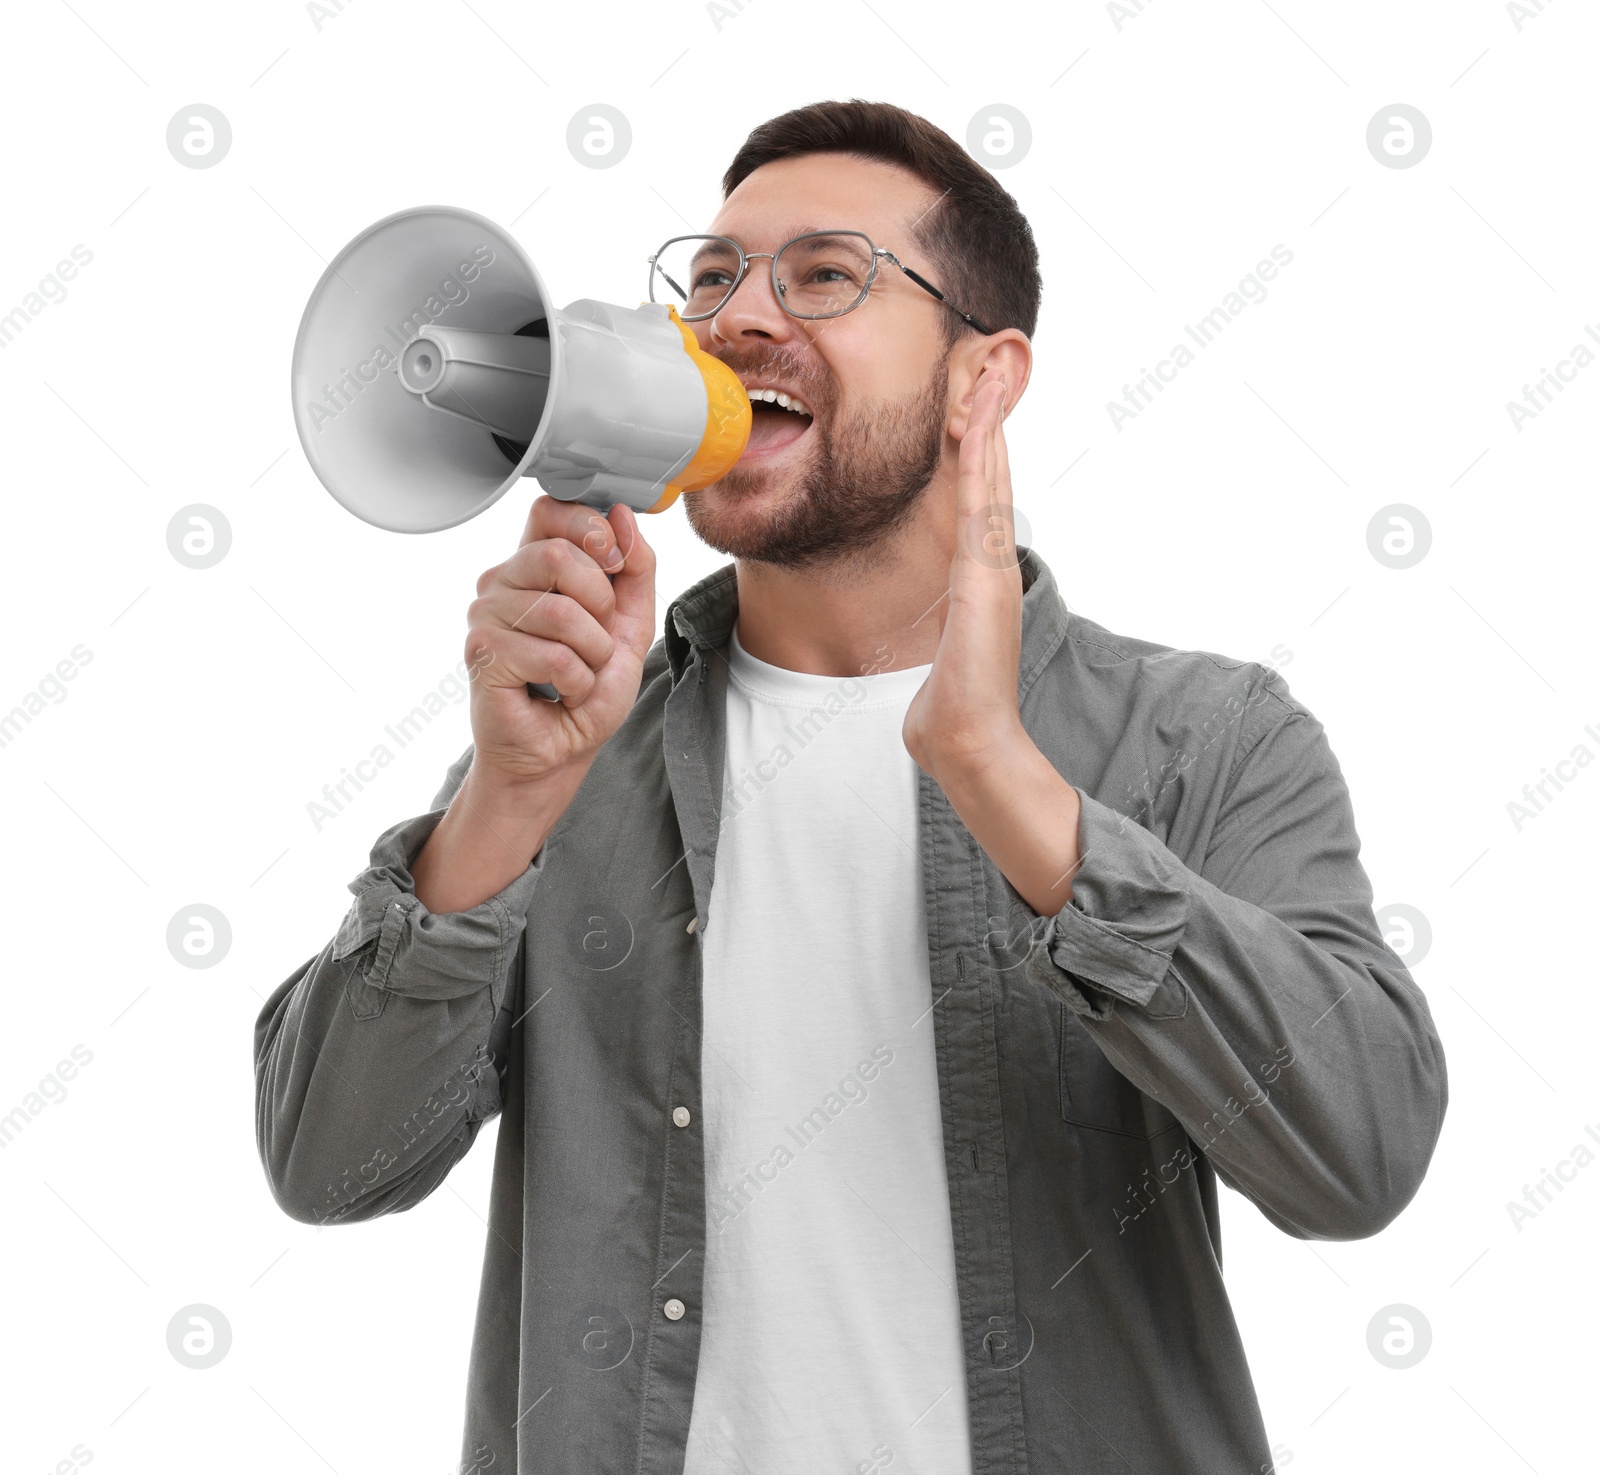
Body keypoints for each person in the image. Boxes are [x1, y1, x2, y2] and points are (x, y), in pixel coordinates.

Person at [254, 98, 1447, 1475]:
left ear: (983, 381)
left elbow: (1359, 1156)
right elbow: (331, 1166)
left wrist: (1011, 787)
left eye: (825, 274)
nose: (738, 315)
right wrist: (505, 808)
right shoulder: (569, 753)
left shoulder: (1207, 739)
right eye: (712, 275)